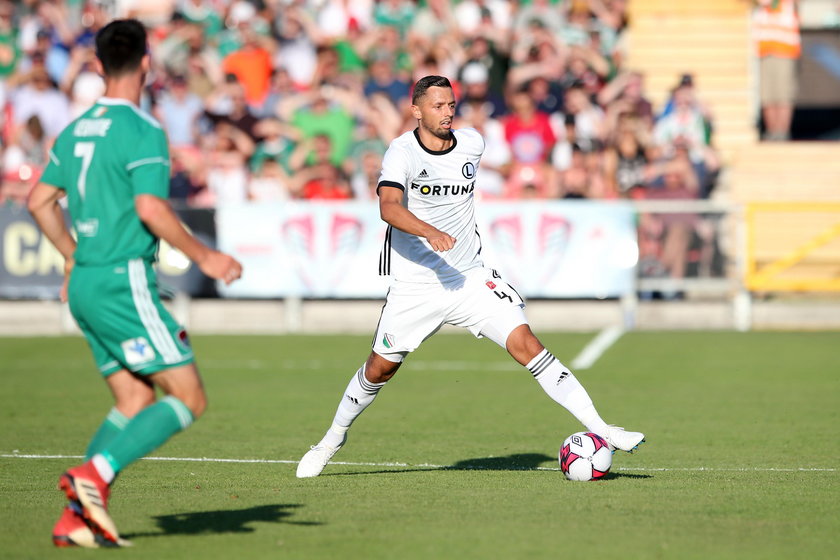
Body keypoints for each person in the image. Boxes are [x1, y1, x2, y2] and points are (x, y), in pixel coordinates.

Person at [296, 75, 644, 478]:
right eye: (437, 106)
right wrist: (430, 232)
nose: (447, 113)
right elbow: (388, 207)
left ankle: (603, 429)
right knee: (379, 369)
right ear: (416, 110)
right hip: (417, 285)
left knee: (527, 343)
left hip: (469, 278)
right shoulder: (402, 152)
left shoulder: (473, 143)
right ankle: (331, 440)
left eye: (450, 105)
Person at [27, 19, 243, 548]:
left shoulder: (75, 129)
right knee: (188, 399)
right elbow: (149, 207)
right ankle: (93, 476)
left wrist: (72, 257)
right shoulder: (143, 129)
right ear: (147, 62)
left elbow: (38, 202)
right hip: (125, 279)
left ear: (98, 66)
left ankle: (75, 519)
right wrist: (206, 256)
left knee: (132, 399)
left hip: (86, 285)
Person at [753, 0, 800, 141]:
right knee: (767, 94)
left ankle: (782, 132)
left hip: (785, 50)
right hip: (764, 50)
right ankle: (772, 132)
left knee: (784, 94)